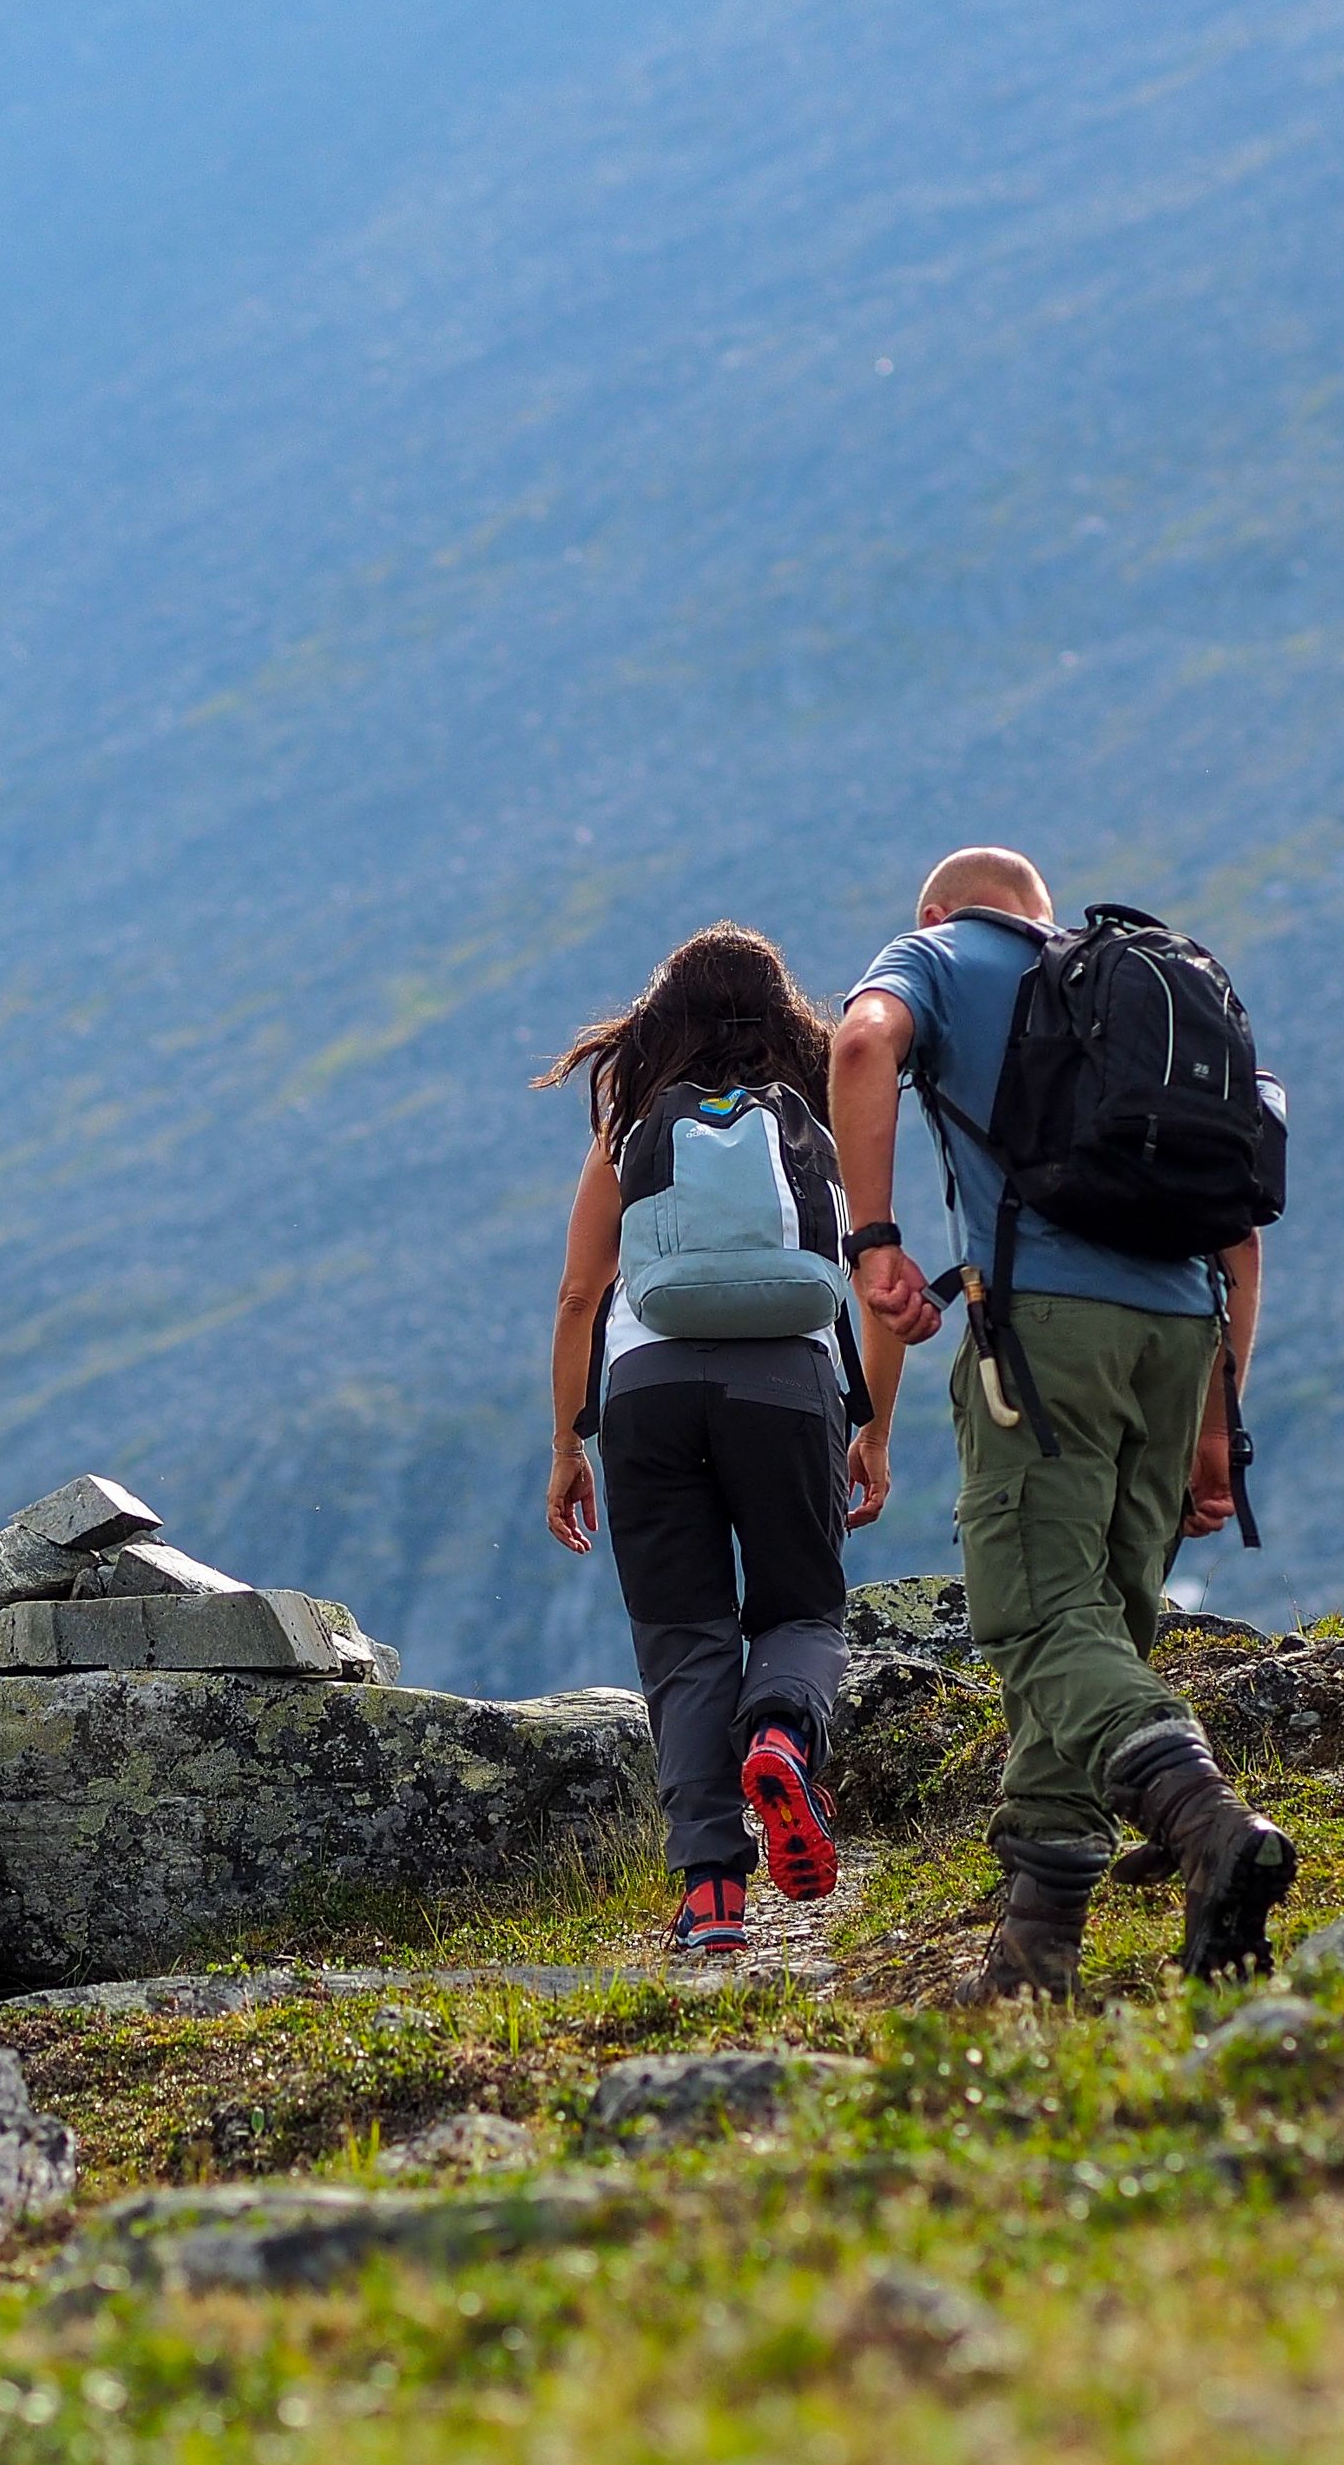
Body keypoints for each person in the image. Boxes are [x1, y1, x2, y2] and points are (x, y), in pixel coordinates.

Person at [831, 846, 1295, 2000]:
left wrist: (873, 1239)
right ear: (1043, 915)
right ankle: (1034, 1959)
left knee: (1040, 1622)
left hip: (1046, 1328)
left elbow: (856, 1046)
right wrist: (1210, 1422)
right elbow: (1240, 1230)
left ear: (939, 910)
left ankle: (1207, 1824)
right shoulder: (1145, 981)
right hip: (1181, 1336)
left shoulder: (937, 954)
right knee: (1094, 1632)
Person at [542, 924, 903, 1958]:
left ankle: (710, 1896)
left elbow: (578, 1294)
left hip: (646, 1394)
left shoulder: (633, 1130)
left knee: (683, 1636)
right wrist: (870, 1425)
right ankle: (784, 1734)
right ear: (786, 1015)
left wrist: (570, 1441)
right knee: (800, 1606)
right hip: (790, 1386)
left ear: (661, 1021)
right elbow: (879, 1288)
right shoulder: (830, 1122)